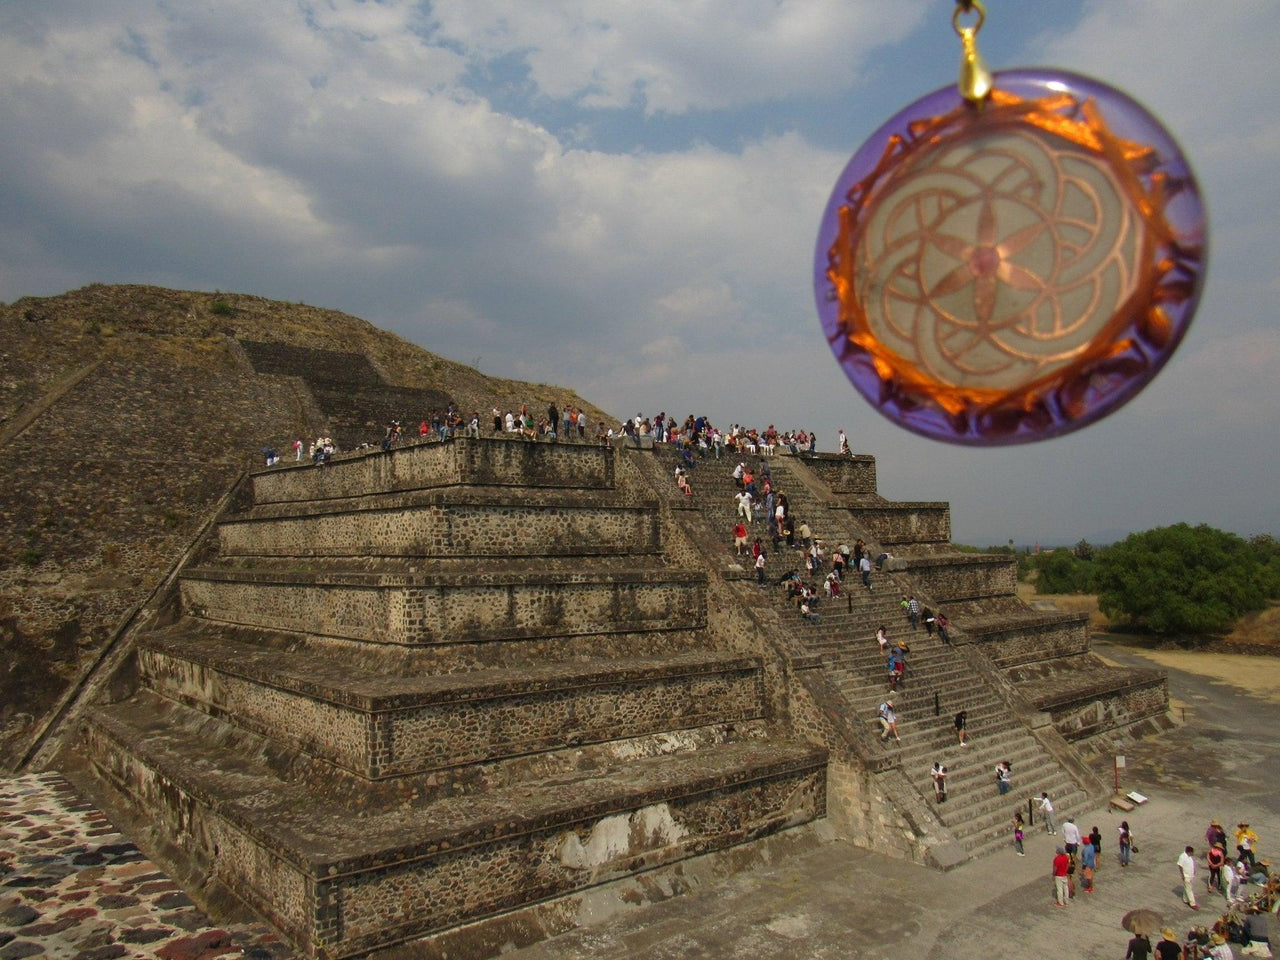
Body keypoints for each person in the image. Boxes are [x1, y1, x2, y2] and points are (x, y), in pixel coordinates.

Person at [1179, 845, 1200, 909]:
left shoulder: (1189, 857)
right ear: (1189, 852)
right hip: (1186, 875)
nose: (1193, 853)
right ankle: (1192, 904)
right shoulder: (1182, 857)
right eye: (1192, 852)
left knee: (1187, 888)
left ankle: (1185, 899)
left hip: (1190, 875)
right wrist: (1182, 875)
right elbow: (1180, 866)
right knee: (1189, 889)